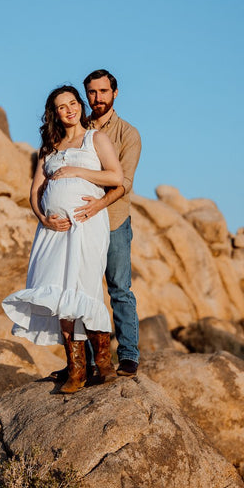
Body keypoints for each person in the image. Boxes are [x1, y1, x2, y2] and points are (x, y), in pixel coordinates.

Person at [2, 85, 123, 393]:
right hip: (53, 232)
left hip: (87, 224)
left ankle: (105, 364)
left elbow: (115, 178)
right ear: (53, 113)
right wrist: (44, 218)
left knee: (85, 288)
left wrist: (76, 172)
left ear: (80, 106)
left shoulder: (96, 139)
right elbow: (35, 193)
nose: (68, 109)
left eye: (72, 103)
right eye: (60, 106)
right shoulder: (50, 148)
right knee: (59, 293)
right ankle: (76, 369)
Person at [73, 69, 142, 377]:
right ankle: (87, 362)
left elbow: (124, 183)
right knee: (83, 292)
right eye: (91, 92)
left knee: (119, 290)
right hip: (81, 223)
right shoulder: (76, 129)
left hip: (113, 220)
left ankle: (128, 356)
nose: (97, 98)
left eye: (103, 91)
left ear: (115, 93)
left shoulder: (128, 134)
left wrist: (98, 205)